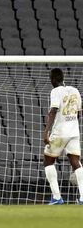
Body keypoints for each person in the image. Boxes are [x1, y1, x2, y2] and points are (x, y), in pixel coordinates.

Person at [43, 68, 83, 205]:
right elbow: (79, 113)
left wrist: (46, 131)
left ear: (53, 79)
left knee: (48, 161)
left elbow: (53, 110)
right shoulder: (75, 91)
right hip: (74, 132)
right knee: (76, 162)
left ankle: (57, 197)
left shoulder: (55, 91)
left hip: (60, 133)